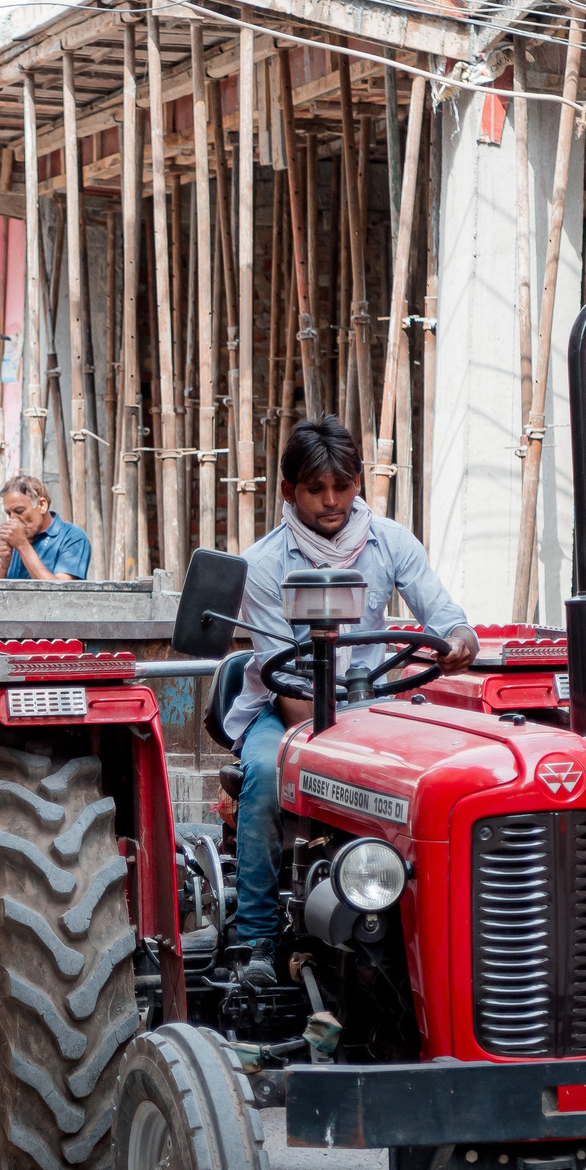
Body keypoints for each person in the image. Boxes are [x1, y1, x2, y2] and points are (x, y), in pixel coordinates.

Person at [223, 415, 480, 989]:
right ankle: (257, 938)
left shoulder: (389, 541)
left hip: (375, 705)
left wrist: (459, 639)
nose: (332, 501)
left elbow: (443, 614)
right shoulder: (264, 565)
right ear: (289, 491)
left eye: (343, 485)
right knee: (266, 776)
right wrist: (349, 751)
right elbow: (286, 679)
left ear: (359, 481)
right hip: (285, 707)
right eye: (316, 489)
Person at [0, 475, 90, 580]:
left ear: (42, 505)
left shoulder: (72, 537)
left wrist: (22, 545)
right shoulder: (15, 539)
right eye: (9, 513)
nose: (13, 519)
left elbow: (60, 592)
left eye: (19, 511)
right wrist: (4, 565)